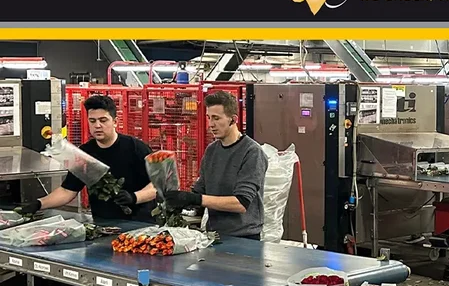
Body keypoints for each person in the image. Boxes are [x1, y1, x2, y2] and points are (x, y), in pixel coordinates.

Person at [19, 95, 157, 222]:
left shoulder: (136, 148)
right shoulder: (84, 154)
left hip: (140, 224)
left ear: (115, 122)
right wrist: (39, 204)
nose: (97, 125)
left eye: (103, 120)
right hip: (103, 224)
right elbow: (68, 191)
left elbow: (156, 185)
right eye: (92, 121)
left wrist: (134, 197)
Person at [164, 91, 267, 240]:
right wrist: (177, 202)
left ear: (233, 120)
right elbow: (200, 190)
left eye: (216, 118)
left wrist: (196, 199)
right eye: (209, 118)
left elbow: (241, 203)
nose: (211, 124)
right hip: (214, 235)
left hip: (244, 238)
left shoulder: (252, 152)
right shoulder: (212, 150)